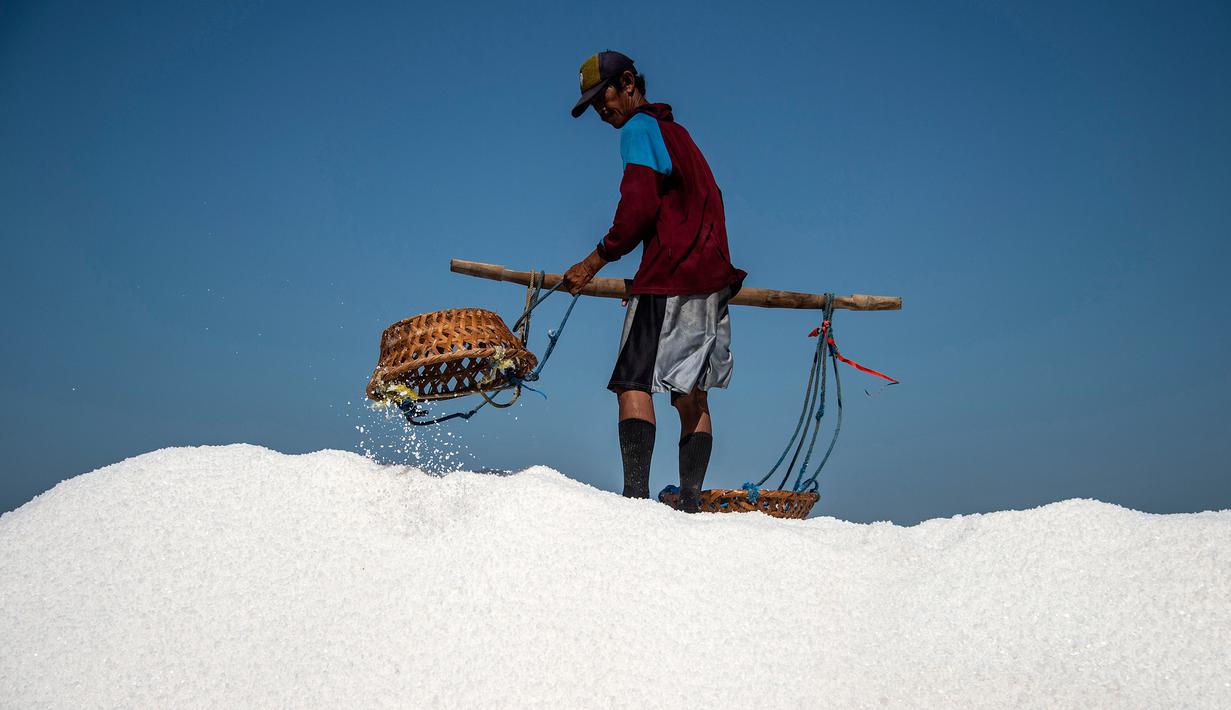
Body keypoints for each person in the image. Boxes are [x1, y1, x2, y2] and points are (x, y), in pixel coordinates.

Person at [560, 51, 746, 513]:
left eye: (603, 100)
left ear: (628, 83)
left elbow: (638, 210)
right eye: (594, 108)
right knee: (691, 393)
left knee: (632, 383)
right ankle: (689, 501)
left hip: (670, 274)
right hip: (709, 277)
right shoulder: (678, 135)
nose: (602, 113)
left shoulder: (640, 129)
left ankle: (635, 503)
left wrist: (593, 261)